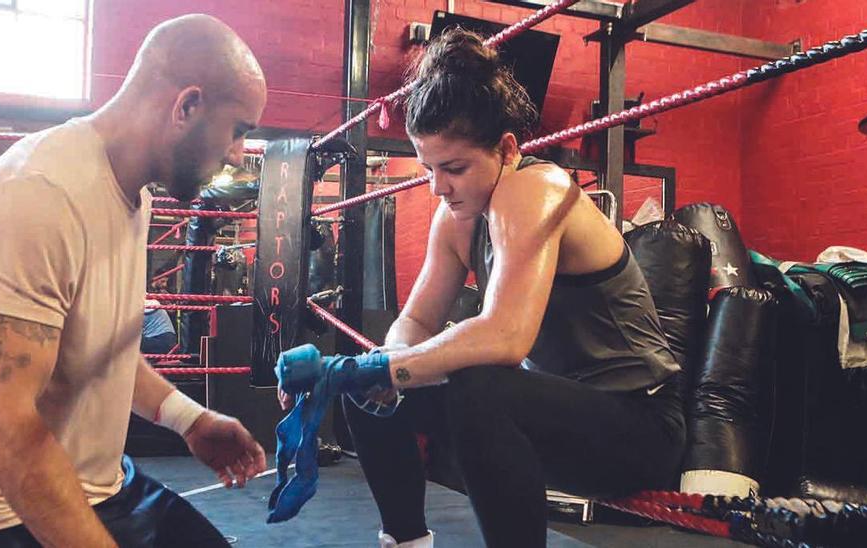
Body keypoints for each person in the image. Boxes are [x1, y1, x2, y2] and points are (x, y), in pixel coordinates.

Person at [276, 29, 685, 548]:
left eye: (455, 168)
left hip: (639, 428)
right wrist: (380, 369)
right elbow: (418, 321)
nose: (438, 187)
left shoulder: (539, 188)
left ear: (507, 149)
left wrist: (388, 367)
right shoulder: (457, 220)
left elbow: (505, 338)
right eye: (429, 169)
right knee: (366, 384)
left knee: (475, 383)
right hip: (551, 419)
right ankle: (405, 541)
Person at [0, 14, 268, 547]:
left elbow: (101, 349)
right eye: (239, 130)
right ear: (187, 106)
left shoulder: (135, 194)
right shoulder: (37, 193)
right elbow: (2, 424)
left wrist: (189, 419)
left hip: (103, 488)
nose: (238, 153)